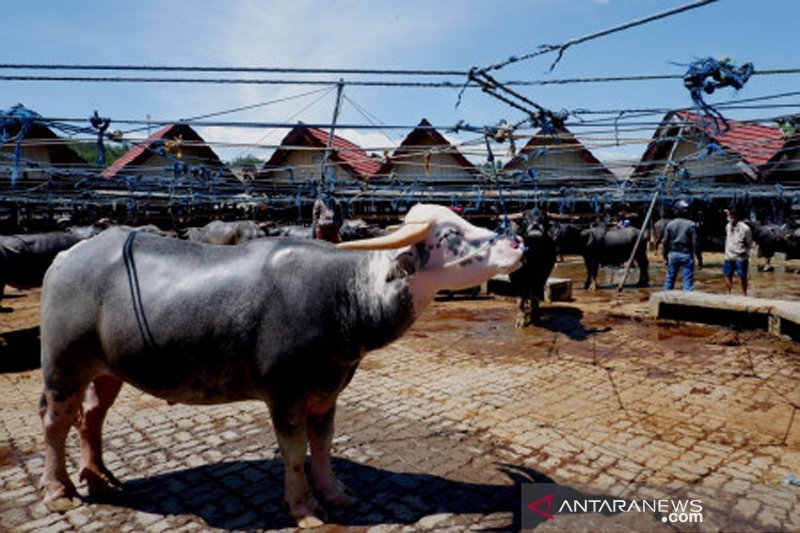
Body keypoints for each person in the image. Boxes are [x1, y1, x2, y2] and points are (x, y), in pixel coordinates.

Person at [662, 200, 703, 291]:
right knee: (687, 282)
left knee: (669, 279)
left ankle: (665, 300)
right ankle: (687, 302)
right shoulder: (691, 225)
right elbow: (696, 243)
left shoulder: (670, 224)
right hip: (686, 254)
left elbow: (665, 242)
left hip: (673, 254)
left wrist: (664, 256)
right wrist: (699, 259)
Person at [723, 206, 753, 296]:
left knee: (742, 277)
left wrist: (744, 251)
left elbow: (749, 242)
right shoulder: (728, 226)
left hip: (740, 257)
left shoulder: (745, 228)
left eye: (733, 216)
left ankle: (744, 294)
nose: (731, 218)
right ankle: (728, 293)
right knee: (727, 275)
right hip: (728, 256)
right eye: (730, 216)